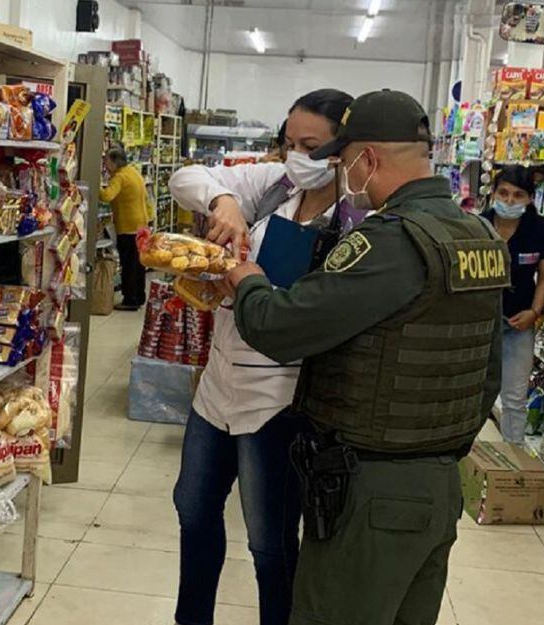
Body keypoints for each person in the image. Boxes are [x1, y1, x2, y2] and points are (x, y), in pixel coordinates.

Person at [225, 90, 508, 625]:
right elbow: (488, 371)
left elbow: (280, 327)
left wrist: (249, 284)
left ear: (368, 159)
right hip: (438, 484)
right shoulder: (479, 236)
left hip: (372, 490)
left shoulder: (392, 242)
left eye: (343, 160)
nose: (343, 173)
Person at [167, 88, 353, 625]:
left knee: (269, 541)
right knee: (194, 512)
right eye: (288, 141)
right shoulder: (275, 185)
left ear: (344, 147)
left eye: (311, 145)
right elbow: (186, 177)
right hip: (218, 385)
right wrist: (222, 201)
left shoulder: (355, 219)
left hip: (279, 399)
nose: (296, 155)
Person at [484, 166, 544, 443]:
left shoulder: (540, 230)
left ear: (529, 198)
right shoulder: (480, 226)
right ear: (493, 193)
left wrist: (535, 312)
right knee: (477, 393)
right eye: (503, 193)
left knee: (515, 398)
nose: (510, 200)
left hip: (519, 323)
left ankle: (513, 462)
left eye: (518, 195)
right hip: (483, 324)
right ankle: (471, 461)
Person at [100, 144, 149, 310]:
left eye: (106, 160)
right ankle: (139, 296)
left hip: (128, 226)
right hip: (142, 225)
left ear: (115, 161)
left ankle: (130, 300)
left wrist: (93, 184)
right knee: (138, 263)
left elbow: (107, 196)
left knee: (129, 264)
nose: (105, 164)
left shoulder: (119, 177)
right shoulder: (133, 172)